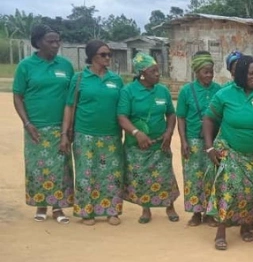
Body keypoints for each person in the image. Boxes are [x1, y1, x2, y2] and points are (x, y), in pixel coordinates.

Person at [203, 55, 253, 250]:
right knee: (228, 189)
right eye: (250, 73)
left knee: (252, 192)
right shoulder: (225, 94)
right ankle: (221, 231)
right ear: (240, 74)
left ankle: (246, 227)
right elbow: (208, 119)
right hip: (230, 150)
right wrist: (210, 147)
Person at [13, 25, 75, 223]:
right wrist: (27, 123)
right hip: (36, 128)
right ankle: (41, 205)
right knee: (38, 168)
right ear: (38, 43)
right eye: (50, 41)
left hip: (61, 127)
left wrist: (69, 127)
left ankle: (58, 208)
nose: (55, 45)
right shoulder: (26, 66)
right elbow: (18, 96)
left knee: (61, 168)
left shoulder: (65, 66)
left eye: (57, 41)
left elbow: (72, 98)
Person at [60, 40, 125, 226]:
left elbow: (123, 108)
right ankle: (86, 212)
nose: (107, 58)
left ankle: (111, 211)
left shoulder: (116, 80)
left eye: (109, 55)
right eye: (103, 54)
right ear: (92, 56)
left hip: (111, 135)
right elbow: (70, 106)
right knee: (86, 173)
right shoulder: (79, 78)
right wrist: (65, 133)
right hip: (85, 134)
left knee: (111, 173)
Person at [118, 52, 181, 224]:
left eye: (158, 70)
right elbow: (122, 117)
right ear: (142, 73)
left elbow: (171, 114)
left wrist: (169, 132)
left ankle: (170, 206)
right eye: (153, 71)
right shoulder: (128, 91)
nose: (158, 74)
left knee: (165, 176)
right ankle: (146, 209)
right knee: (142, 177)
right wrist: (137, 133)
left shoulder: (163, 91)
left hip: (160, 143)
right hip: (138, 145)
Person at [177, 51, 222, 226]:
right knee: (193, 177)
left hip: (213, 140)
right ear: (197, 72)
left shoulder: (219, 90)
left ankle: (210, 213)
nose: (209, 75)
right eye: (205, 72)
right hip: (194, 139)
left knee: (212, 176)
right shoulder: (186, 91)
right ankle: (196, 213)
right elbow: (181, 117)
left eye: (211, 71)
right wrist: (183, 141)